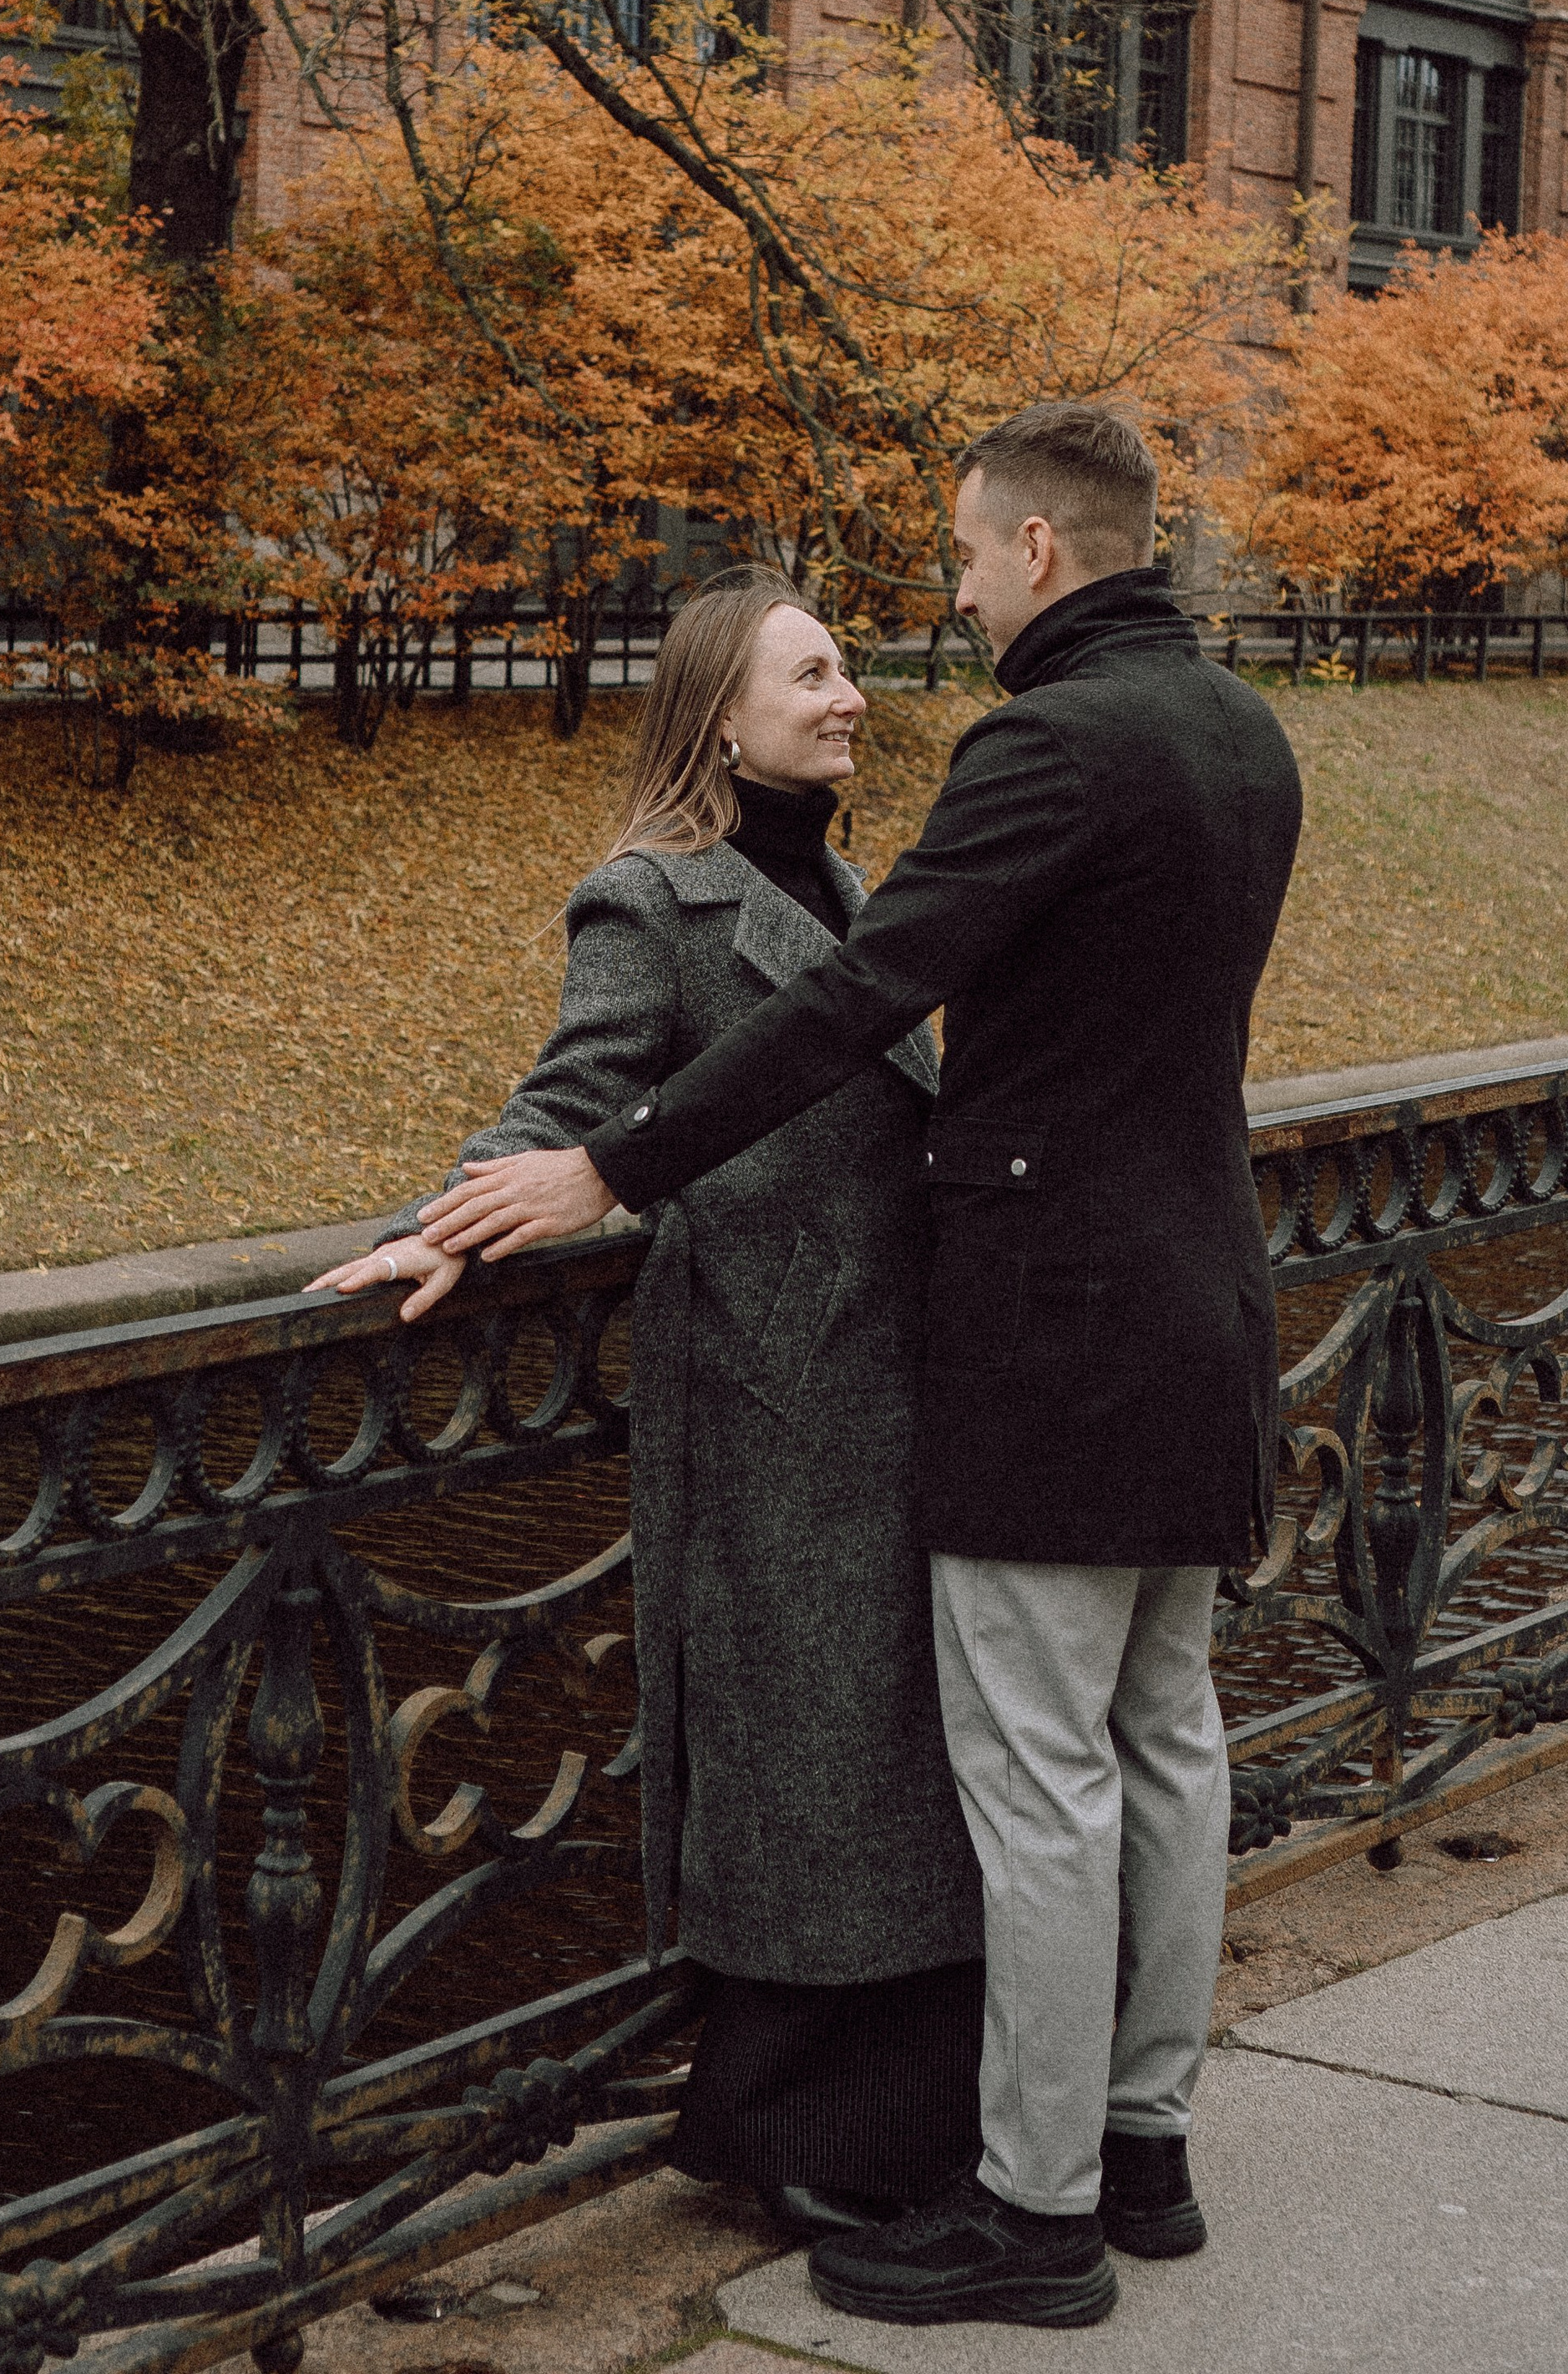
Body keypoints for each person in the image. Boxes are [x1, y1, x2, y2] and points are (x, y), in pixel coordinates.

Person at [415, 402, 1304, 2331]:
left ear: (1041, 552)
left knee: (1050, 1782)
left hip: (1046, 1350)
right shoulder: (1238, 730)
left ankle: (1035, 2210)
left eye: (966, 557)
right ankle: (1141, 2151)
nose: (951, 596)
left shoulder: (1048, 742)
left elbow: (855, 996)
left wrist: (608, 1170)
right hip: (1201, 1309)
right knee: (1167, 1745)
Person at [310, 566, 984, 2237]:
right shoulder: (649, 897)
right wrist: (444, 1225)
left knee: (878, 1767)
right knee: (808, 1777)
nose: (847, 698)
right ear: (720, 712)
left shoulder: (833, 876)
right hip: (773, 1396)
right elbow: (570, 1097)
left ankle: (871, 2122)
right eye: (813, 675)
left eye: (845, 673)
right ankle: (785, 2137)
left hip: (883, 1387)